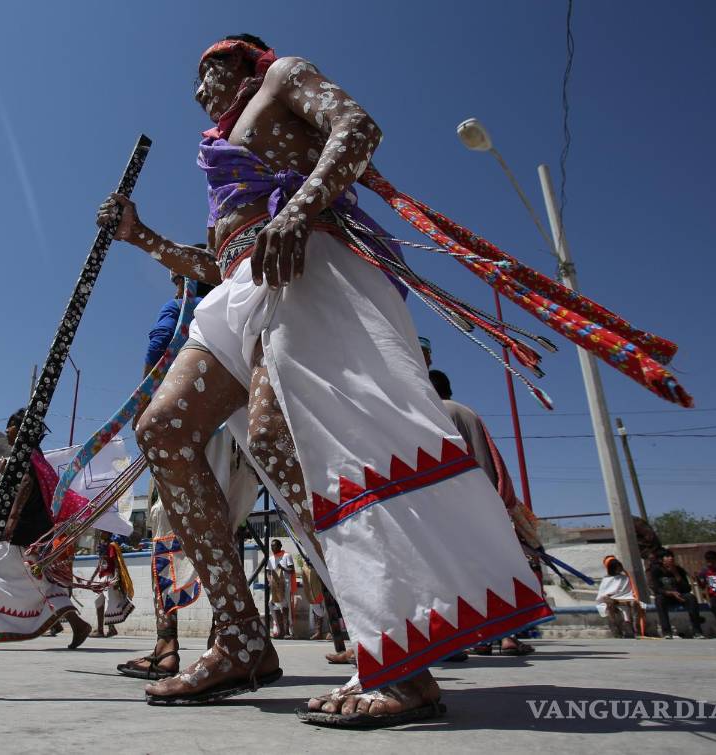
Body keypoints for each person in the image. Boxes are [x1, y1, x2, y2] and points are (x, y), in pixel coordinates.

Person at [97, 34, 554, 724]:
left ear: (249, 63)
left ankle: (401, 662)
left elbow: (358, 127)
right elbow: (218, 260)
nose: (201, 89)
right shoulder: (224, 154)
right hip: (244, 286)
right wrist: (140, 236)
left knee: (279, 442)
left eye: (212, 70)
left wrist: (300, 208)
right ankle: (242, 638)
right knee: (162, 429)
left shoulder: (283, 77)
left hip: (307, 266)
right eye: (195, 81)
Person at [118, 273, 259, 681]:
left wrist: (146, 411)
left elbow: (159, 347)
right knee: (223, 531)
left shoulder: (181, 308)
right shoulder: (236, 303)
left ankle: (166, 647)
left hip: (187, 430)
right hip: (238, 434)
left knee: (169, 528)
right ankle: (229, 641)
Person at [428, 368, 542, 657]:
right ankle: (507, 637)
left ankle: (466, 640)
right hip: (484, 501)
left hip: (448, 506)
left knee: (452, 574)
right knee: (494, 571)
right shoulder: (467, 412)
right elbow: (493, 460)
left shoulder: (429, 413)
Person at [0, 409, 93, 650]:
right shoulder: (37, 456)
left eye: (10, 425)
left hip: (21, 529)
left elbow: (26, 483)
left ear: (21, 428)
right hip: (34, 528)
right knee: (37, 580)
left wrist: (11, 520)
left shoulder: (25, 455)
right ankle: (78, 623)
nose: (6, 431)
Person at [649, 549, 706, 639]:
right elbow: (656, 588)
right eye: (667, 556)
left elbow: (687, 588)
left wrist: (676, 573)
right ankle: (667, 632)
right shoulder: (656, 571)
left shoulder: (679, 570)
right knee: (659, 600)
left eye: (671, 556)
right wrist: (670, 593)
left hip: (680, 595)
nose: (671, 558)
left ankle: (697, 631)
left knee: (691, 598)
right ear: (661, 560)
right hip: (666, 596)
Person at [92, 532, 134, 638]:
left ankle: (111, 629)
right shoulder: (102, 546)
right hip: (101, 577)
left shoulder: (112, 546)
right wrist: (92, 578)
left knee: (109, 603)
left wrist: (116, 578)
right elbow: (100, 564)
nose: (101, 533)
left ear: (108, 533)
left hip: (110, 577)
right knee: (98, 601)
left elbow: (116, 563)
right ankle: (100, 630)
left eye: (103, 532)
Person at [596, 556, 640, 638]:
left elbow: (628, 591)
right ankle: (616, 630)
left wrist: (623, 599)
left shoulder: (626, 577)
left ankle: (635, 629)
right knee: (609, 604)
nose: (619, 569)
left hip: (626, 598)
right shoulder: (606, 579)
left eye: (620, 566)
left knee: (634, 603)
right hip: (611, 600)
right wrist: (611, 597)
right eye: (617, 567)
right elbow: (603, 594)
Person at [268, 539, 296, 639]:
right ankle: (281, 631)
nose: (272, 548)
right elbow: (268, 571)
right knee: (271, 604)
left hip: (286, 586)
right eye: (271, 546)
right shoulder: (270, 558)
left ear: (280, 546)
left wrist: (282, 568)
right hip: (275, 586)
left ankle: (288, 632)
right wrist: (269, 581)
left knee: (285, 607)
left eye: (274, 546)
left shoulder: (286, 556)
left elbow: (292, 570)